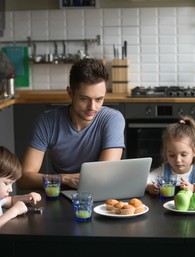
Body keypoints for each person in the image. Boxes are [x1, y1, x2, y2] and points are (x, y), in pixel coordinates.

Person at [18, 58, 125, 190]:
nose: (92, 107)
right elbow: (24, 178)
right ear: (70, 93)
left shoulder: (113, 119)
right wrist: (65, 179)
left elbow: (105, 175)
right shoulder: (47, 121)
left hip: (98, 193)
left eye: (99, 99)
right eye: (84, 99)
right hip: (60, 191)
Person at [146, 116, 195, 195]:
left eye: (183, 154)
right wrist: (149, 186)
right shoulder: (164, 170)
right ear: (166, 153)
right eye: (172, 155)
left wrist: (194, 187)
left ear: (194, 151)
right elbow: (143, 180)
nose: (178, 160)